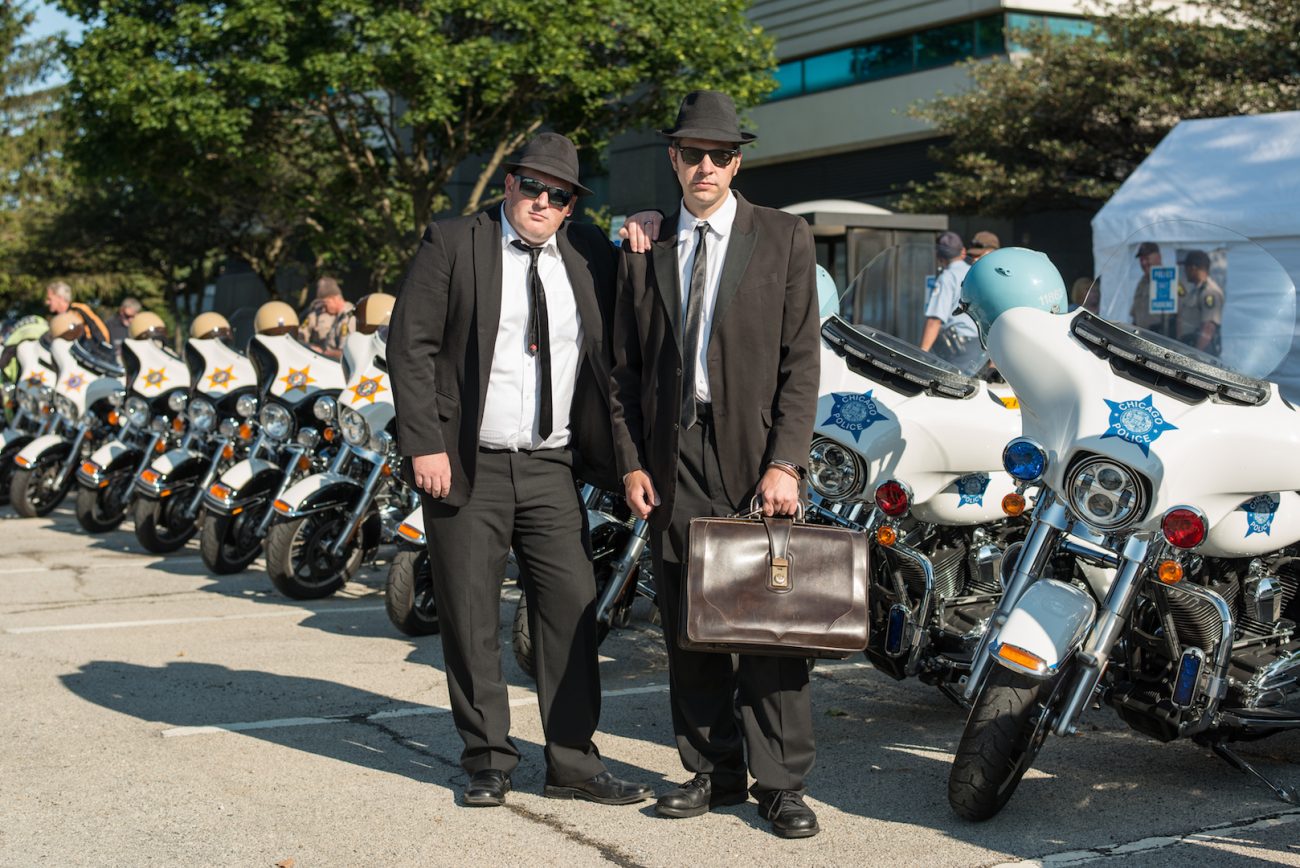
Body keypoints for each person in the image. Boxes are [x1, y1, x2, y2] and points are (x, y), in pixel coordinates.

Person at [387, 132, 655, 810]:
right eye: (532, 186)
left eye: (557, 194)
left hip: (552, 468)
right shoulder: (452, 242)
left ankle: (573, 763)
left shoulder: (588, 251)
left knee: (570, 610)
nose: (542, 200)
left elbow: (628, 334)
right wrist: (425, 443)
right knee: (471, 615)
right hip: (466, 463)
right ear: (508, 183)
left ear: (571, 206)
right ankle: (487, 760)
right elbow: (409, 345)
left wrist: (656, 223)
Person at [608, 90, 823, 839]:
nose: (706, 166)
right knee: (691, 623)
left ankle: (782, 783)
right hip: (673, 459)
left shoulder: (786, 236)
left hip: (755, 457)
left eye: (720, 155)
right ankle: (711, 770)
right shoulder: (647, 246)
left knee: (769, 625)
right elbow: (623, 373)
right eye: (693, 153)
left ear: (739, 162)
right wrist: (631, 462)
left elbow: (803, 365)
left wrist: (786, 462)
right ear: (673, 158)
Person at [918, 231, 979, 368]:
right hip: (979, 347)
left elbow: (935, 319)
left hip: (959, 349)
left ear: (939, 256)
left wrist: (922, 354)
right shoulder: (974, 272)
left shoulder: (947, 277)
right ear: (962, 251)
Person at [1177, 249, 1223, 353]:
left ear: (1193, 268)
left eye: (1186, 268)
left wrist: (1196, 355)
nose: (1185, 271)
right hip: (1190, 346)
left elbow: (1208, 328)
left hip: (1202, 350)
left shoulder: (1209, 292)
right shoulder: (1197, 290)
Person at [299, 277, 354, 359]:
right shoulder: (320, 313)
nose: (323, 308)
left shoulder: (349, 318)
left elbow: (346, 354)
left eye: (326, 302)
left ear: (335, 299)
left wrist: (322, 352)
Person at [44, 281, 111, 345]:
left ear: (60, 298)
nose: (47, 302)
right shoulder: (55, 318)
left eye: (50, 299)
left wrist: (101, 349)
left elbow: (101, 331)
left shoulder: (79, 309)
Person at [1129, 241, 1174, 335]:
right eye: (1141, 259)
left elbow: (1178, 319)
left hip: (1161, 338)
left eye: (1147, 258)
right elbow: (1135, 316)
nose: (1144, 263)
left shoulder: (1168, 279)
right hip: (1141, 337)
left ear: (1158, 257)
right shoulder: (1142, 283)